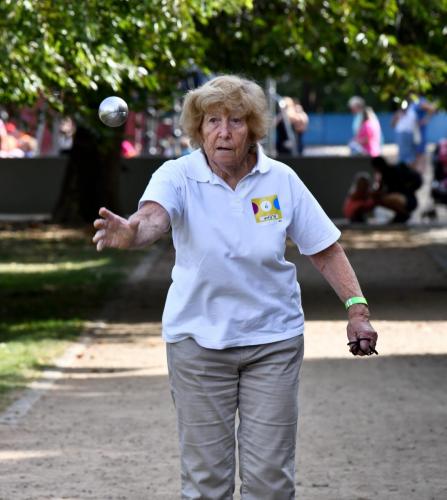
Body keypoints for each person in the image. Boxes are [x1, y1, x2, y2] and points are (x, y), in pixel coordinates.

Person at [92, 75, 378, 499]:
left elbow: (325, 249)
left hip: (272, 341)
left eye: (236, 121)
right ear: (198, 128)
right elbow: (153, 218)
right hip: (198, 343)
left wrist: (357, 310)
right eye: (212, 121)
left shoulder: (280, 180)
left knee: (270, 481)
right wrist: (131, 234)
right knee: (206, 482)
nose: (223, 132)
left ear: (254, 129)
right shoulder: (178, 176)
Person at [371, 156, 422, 223]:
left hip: (407, 200)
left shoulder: (391, 172)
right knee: (379, 198)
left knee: (381, 199)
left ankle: (403, 214)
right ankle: (401, 214)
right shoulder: (387, 172)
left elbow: (392, 189)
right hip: (407, 198)